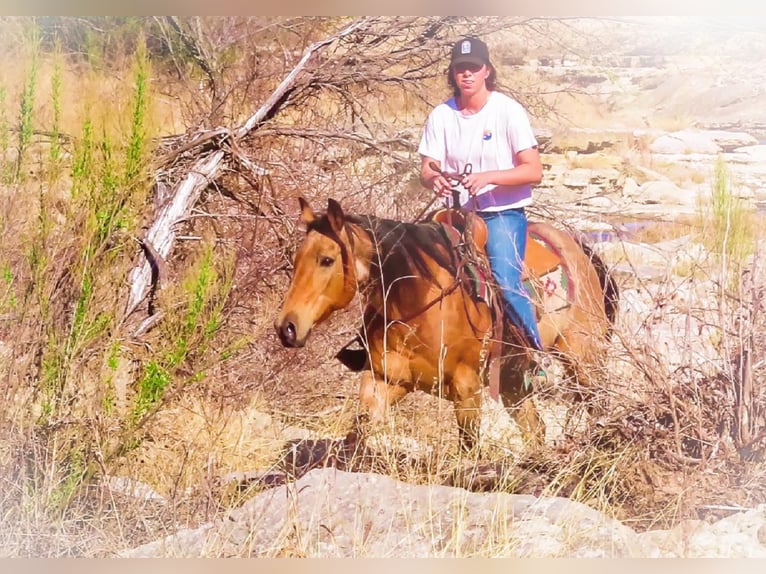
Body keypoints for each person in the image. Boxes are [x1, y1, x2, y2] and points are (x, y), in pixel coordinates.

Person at [417, 36, 544, 352]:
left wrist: (489, 177)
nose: (467, 75)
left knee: (504, 280)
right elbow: (426, 169)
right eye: (460, 69)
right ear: (453, 73)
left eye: (473, 68)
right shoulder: (441, 116)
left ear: (487, 70)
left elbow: (533, 170)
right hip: (455, 214)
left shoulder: (507, 111)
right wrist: (435, 180)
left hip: (501, 213)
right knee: (414, 269)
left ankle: (534, 353)